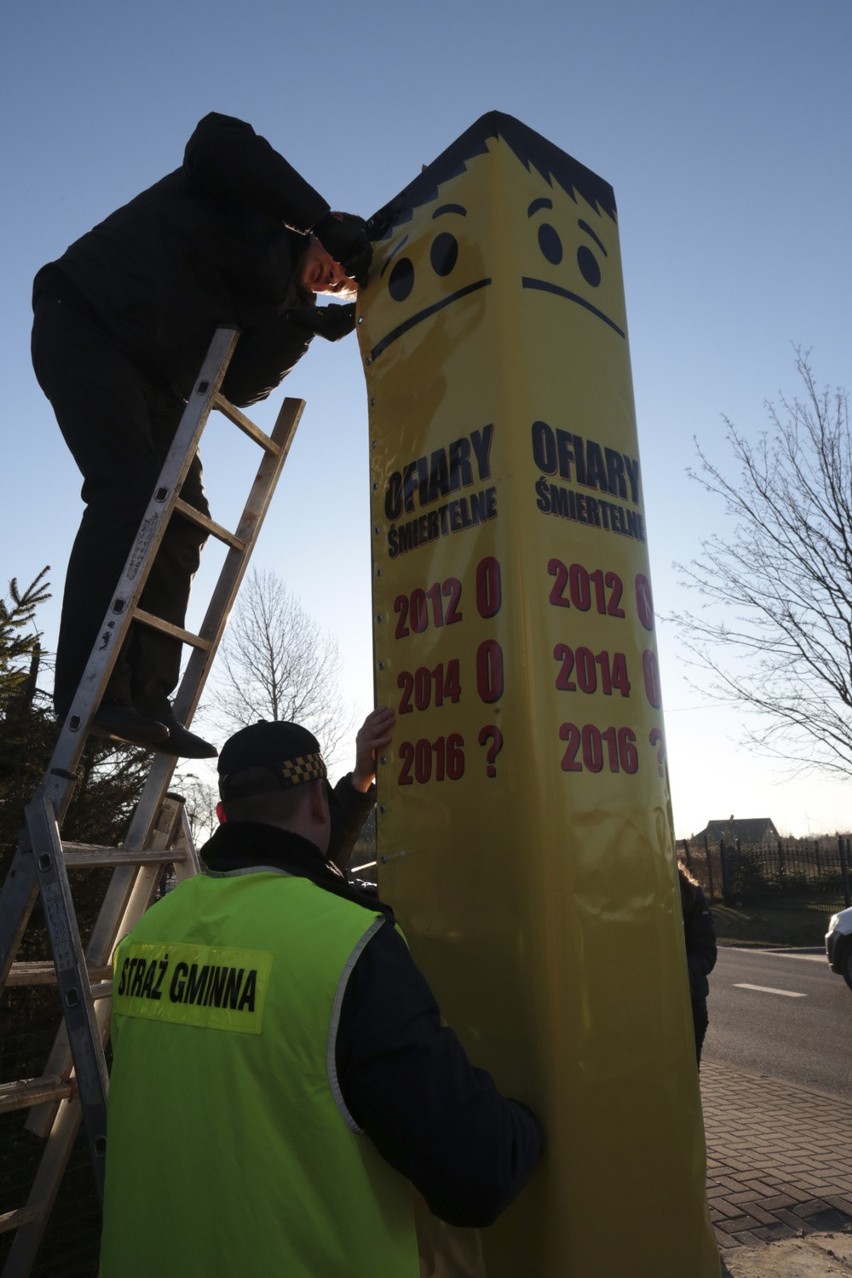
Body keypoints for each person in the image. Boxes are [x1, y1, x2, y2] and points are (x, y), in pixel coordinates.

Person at [100, 708, 543, 1277]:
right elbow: (477, 1177)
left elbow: (293, 862)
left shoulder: (147, 936)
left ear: (221, 814)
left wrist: (357, 784)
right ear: (315, 804)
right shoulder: (351, 945)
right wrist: (534, 1119)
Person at [31, 112, 371, 757]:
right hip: (88, 321)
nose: (337, 276)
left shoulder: (276, 304)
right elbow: (215, 137)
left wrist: (306, 325)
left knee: (184, 519)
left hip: (158, 385)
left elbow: (237, 387)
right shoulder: (254, 205)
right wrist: (318, 217)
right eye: (339, 260)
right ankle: (90, 692)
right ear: (329, 234)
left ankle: (148, 701)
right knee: (127, 493)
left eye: (346, 281)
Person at [678, 862, 718, 1065]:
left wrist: (682, 972)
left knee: (688, 1072)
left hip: (687, 1003)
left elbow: (706, 950)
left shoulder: (689, 893)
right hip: (641, 1009)